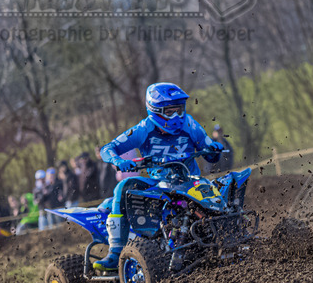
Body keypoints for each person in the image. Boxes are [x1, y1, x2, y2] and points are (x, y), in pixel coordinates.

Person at [93, 82, 225, 271]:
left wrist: (214, 149)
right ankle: (115, 253)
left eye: (179, 110)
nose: (177, 116)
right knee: (123, 187)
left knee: (228, 185)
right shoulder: (143, 129)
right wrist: (118, 161)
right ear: (155, 110)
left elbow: (210, 153)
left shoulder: (189, 123)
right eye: (170, 111)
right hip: (158, 182)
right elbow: (108, 148)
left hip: (189, 181)